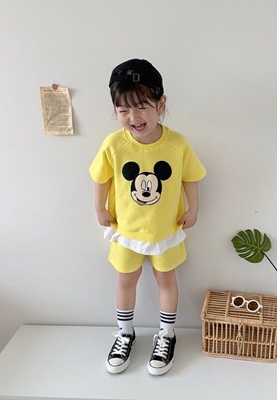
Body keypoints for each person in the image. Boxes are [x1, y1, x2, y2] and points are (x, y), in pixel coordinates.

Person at [89, 58, 206, 376]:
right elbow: (101, 177)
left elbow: (190, 177)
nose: (133, 117)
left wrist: (193, 208)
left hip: (166, 230)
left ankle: (167, 335)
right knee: (126, 279)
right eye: (123, 110)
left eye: (142, 107)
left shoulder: (177, 143)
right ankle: (125, 333)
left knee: (166, 280)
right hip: (125, 230)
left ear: (160, 103)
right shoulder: (114, 144)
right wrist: (99, 208)